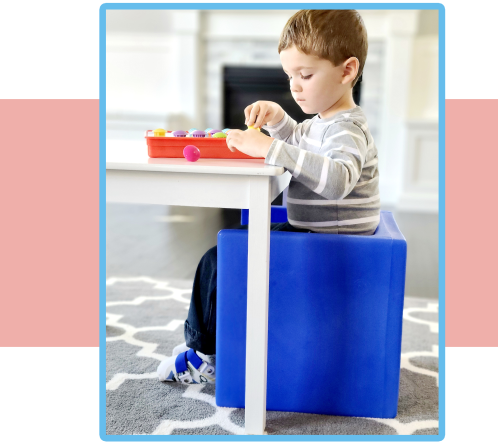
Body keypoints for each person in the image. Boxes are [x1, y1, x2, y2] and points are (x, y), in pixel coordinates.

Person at [157, 9, 380, 384]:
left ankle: (204, 353)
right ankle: (215, 343)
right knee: (230, 250)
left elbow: (338, 178)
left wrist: (268, 149)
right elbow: (302, 145)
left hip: (331, 247)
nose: (295, 86)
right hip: (314, 236)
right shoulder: (323, 123)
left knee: (219, 260)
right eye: (289, 76)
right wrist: (279, 122)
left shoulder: (347, 130)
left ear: (347, 71)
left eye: (305, 75)